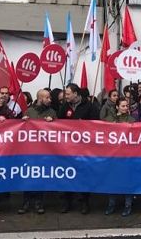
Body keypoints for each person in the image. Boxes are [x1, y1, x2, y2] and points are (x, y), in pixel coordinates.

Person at [58, 84, 99, 214]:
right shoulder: (65, 106)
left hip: (84, 148)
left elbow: (97, 125)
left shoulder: (90, 106)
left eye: (68, 93)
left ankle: (84, 202)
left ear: (76, 94)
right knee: (67, 174)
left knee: (83, 174)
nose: (66, 96)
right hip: (67, 148)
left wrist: (85, 125)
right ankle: (66, 201)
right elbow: (58, 123)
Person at [18, 88, 55, 215]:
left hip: (44, 150)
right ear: (40, 98)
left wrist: (52, 122)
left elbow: (58, 130)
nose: (50, 100)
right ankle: (26, 202)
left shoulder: (52, 112)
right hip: (30, 150)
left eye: (50, 97)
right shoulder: (29, 111)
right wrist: (23, 121)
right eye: (47, 97)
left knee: (41, 176)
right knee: (28, 175)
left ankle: (39, 202)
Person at [104, 98, 135, 216]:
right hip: (113, 156)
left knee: (127, 181)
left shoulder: (131, 119)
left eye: (127, 106)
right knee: (112, 181)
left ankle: (128, 205)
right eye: (123, 106)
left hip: (127, 156)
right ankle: (111, 204)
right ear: (117, 107)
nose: (125, 108)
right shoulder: (109, 119)